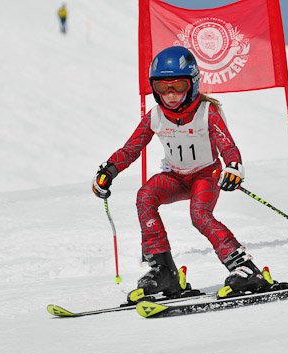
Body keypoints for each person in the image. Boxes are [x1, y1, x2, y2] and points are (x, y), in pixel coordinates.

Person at [92, 46, 274, 302]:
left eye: (178, 86)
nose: (170, 95)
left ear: (193, 84)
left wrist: (233, 167)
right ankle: (163, 271)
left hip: (205, 176)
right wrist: (109, 171)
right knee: (145, 197)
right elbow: (131, 149)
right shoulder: (155, 116)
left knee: (199, 216)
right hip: (175, 178)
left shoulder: (207, 112)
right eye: (162, 87)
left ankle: (245, 269)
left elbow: (228, 146)